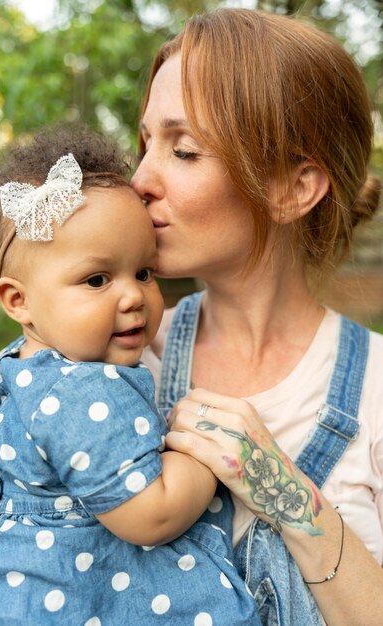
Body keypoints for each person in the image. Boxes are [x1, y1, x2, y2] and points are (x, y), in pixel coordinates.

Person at [131, 7, 383, 626]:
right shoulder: (120, 355)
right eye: (145, 144)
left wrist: (279, 486)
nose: (138, 179)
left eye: (183, 150)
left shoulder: (378, 390)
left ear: (294, 188)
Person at [0, 127, 262, 625]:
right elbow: (152, 514)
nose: (132, 296)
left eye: (144, 272)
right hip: (68, 600)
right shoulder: (80, 388)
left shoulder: (34, 366)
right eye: (97, 279)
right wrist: (204, 458)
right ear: (19, 301)